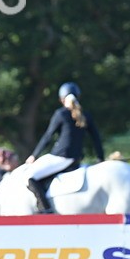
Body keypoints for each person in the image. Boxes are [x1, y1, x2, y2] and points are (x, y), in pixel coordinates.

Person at [22, 82, 104, 212]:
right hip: (76, 158)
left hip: (61, 157)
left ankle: (45, 209)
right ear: (78, 97)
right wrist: (100, 159)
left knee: (29, 177)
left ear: (61, 99)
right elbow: (96, 138)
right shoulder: (86, 115)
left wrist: (34, 155)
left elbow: (48, 136)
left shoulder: (60, 114)